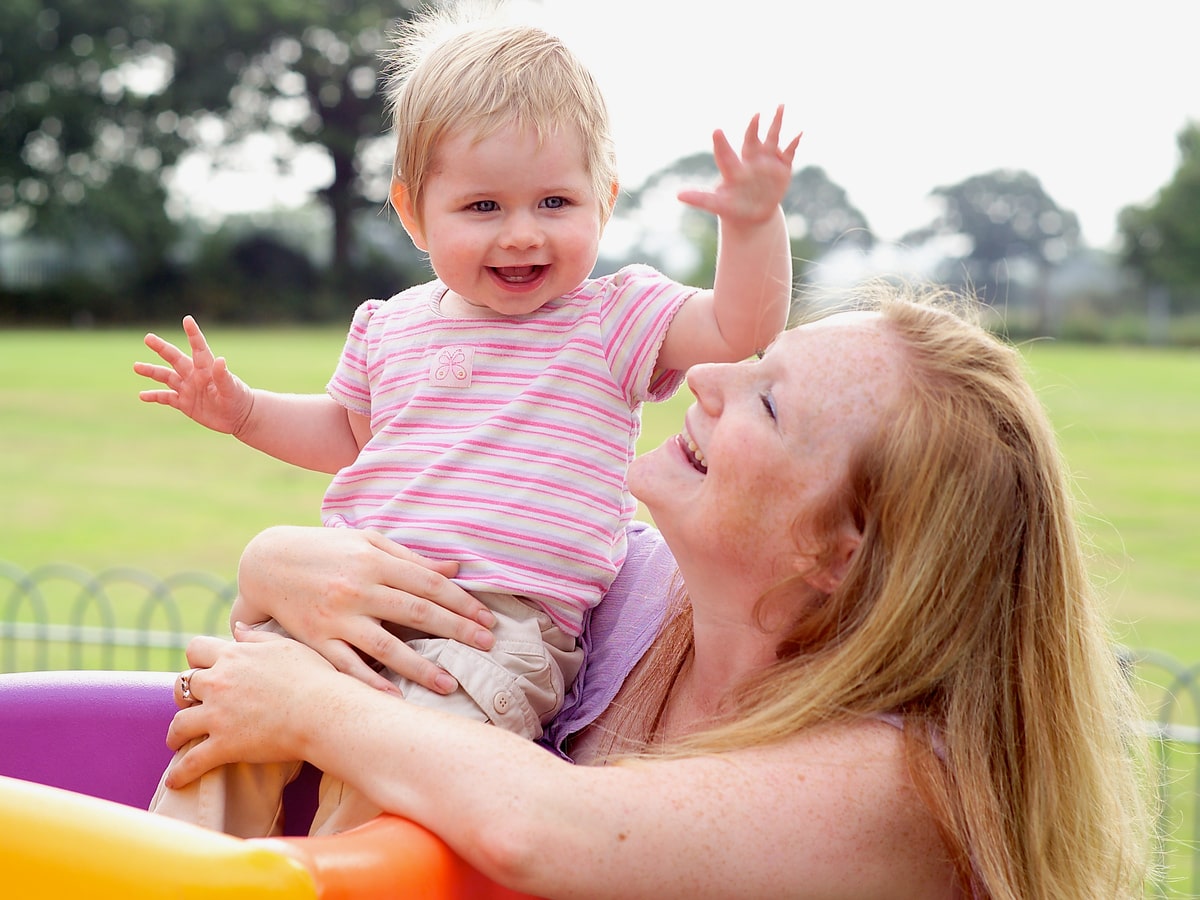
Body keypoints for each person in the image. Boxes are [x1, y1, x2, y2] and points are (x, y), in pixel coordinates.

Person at [160, 285, 1155, 898]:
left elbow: (543, 832)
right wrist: (278, 558)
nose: (707, 378)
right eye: (753, 360)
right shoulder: (632, 589)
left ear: (842, 554)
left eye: (765, 399)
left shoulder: (906, 789)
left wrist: (306, 703)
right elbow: (442, 574)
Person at [135, 4, 799, 837]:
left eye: (555, 201)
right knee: (218, 738)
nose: (522, 234)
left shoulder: (612, 318)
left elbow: (742, 329)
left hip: (496, 625)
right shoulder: (390, 322)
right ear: (413, 212)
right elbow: (346, 434)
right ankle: (172, 867)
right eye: (483, 207)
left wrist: (752, 224)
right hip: (340, 597)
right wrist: (242, 412)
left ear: (605, 198)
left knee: (396, 796)